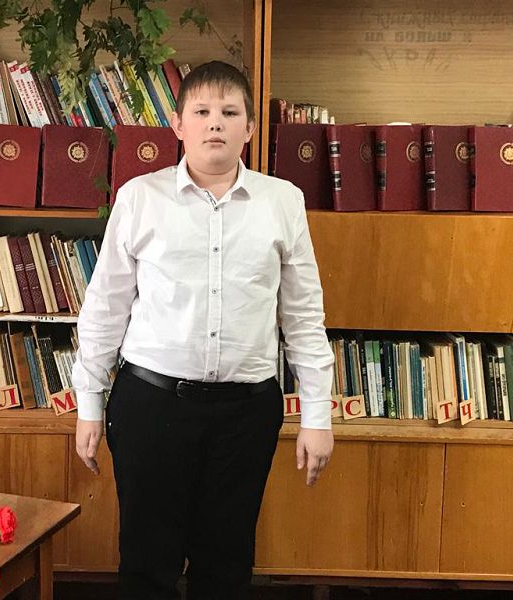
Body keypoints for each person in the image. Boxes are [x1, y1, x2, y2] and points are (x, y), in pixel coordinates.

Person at [72, 60, 335, 600]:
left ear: (249, 128)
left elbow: (304, 315)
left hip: (246, 413)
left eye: (230, 112)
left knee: (227, 565)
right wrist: (90, 404)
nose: (215, 122)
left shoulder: (282, 201)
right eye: (202, 111)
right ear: (178, 124)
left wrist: (317, 415)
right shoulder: (140, 197)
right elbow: (105, 306)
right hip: (151, 406)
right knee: (147, 563)